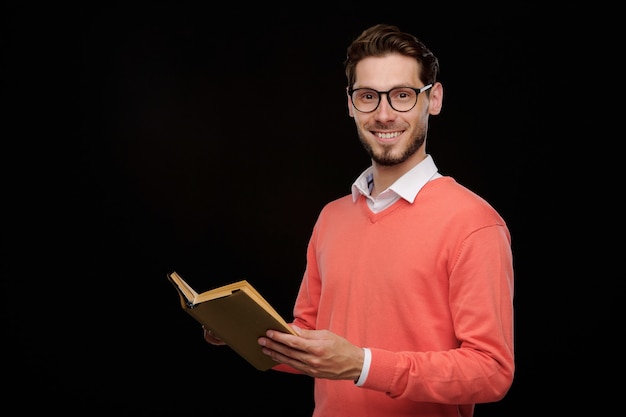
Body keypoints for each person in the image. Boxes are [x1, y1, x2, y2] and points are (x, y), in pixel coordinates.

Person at [204, 23, 514, 417]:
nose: (384, 115)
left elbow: (491, 372)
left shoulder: (474, 223)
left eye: (402, 95)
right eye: (368, 97)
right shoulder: (331, 217)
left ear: (433, 99)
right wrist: (243, 335)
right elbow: (312, 344)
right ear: (350, 104)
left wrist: (363, 365)